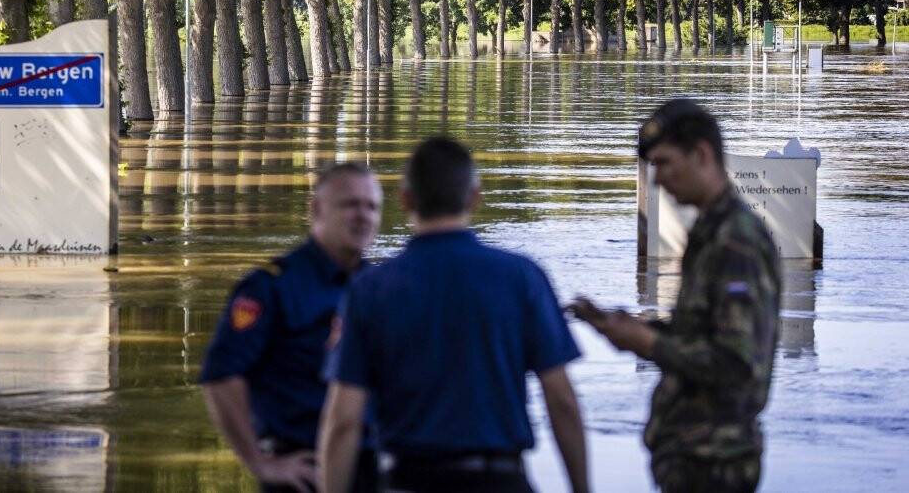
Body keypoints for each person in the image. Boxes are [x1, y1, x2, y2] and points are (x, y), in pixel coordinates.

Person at [318, 136, 589, 493]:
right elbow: (562, 401)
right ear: (474, 197)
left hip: (408, 480)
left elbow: (343, 422)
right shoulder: (522, 277)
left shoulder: (370, 290)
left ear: (406, 199)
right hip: (501, 480)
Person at [572, 98, 782, 493]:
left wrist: (648, 343)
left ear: (701, 154)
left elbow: (737, 364)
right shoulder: (711, 231)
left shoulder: (737, 242)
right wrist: (632, 329)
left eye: (664, 164)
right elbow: (703, 332)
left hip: (715, 463)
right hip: (692, 457)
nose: (657, 180)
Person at [200, 162, 383, 493]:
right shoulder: (271, 287)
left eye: (371, 206)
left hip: (378, 469)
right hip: (303, 472)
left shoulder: (382, 287)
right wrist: (259, 462)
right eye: (350, 204)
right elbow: (221, 376)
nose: (363, 215)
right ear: (316, 209)